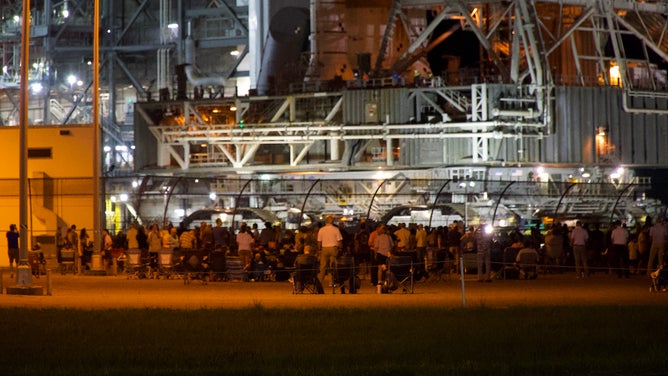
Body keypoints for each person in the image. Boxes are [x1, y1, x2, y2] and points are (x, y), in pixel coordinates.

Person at [317, 215, 343, 285]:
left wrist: (319, 250)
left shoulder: (321, 230)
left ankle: (320, 281)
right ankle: (331, 282)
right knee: (332, 266)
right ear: (333, 222)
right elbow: (339, 241)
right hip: (333, 248)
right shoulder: (336, 229)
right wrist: (340, 248)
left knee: (323, 266)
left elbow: (319, 241)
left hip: (324, 248)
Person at [373, 224, 394, 288]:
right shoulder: (389, 237)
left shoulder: (378, 237)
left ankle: (379, 281)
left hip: (381, 254)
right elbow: (392, 246)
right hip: (387, 254)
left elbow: (376, 247)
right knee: (387, 268)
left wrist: (375, 254)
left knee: (380, 269)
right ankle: (386, 280)